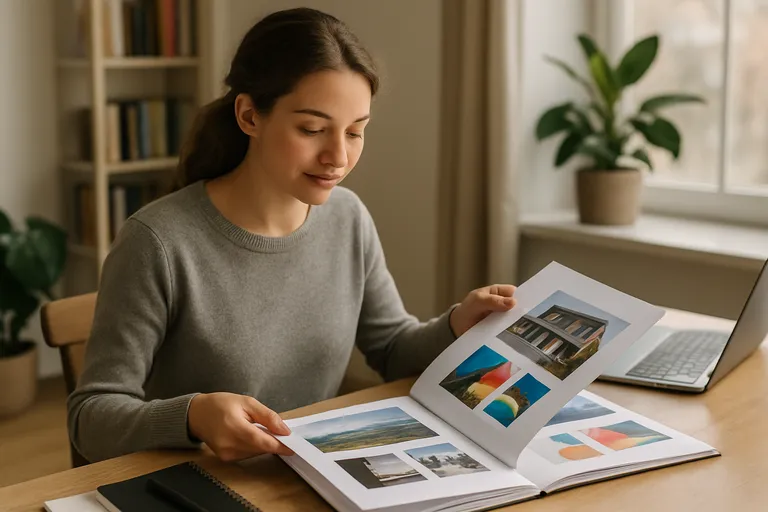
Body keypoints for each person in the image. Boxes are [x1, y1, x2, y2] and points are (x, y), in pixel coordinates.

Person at [67, 7, 517, 464]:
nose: (337, 157)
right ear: (249, 116)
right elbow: (91, 418)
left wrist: (459, 322)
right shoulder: (157, 241)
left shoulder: (348, 218)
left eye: (356, 132)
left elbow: (392, 349)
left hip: (305, 476)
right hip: (194, 484)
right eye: (312, 129)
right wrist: (193, 416)